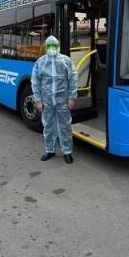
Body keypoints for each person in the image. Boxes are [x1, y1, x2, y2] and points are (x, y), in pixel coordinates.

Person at [31, 35, 78, 164]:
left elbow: (73, 79)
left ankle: (67, 152)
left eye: (54, 46)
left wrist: (72, 98)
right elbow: (35, 82)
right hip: (46, 101)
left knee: (65, 126)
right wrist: (38, 100)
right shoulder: (40, 62)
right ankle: (49, 150)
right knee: (48, 125)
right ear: (45, 47)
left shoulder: (66, 61)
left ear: (58, 46)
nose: (52, 48)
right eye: (49, 46)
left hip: (62, 100)